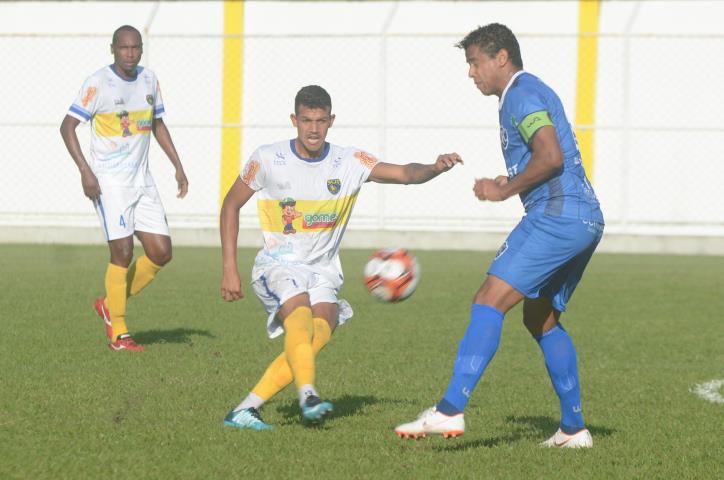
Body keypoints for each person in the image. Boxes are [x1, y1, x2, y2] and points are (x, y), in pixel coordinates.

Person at [394, 23, 604, 448]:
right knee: (539, 318)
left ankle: (449, 410)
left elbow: (550, 155)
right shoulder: (528, 92)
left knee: (488, 298)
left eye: (475, 62)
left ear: (501, 57)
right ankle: (573, 428)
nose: (471, 73)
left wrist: (502, 189)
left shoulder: (521, 94)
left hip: (557, 216)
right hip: (585, 219)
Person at [220, 85, 462, 429]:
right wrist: (229, 268)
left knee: (321, 328)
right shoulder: (267, 158)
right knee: (300, 317)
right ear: (294, 120)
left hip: (323, 270)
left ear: (331, 120)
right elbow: (230, 205)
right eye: (306, 120)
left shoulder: (348, 162)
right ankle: (308, 394)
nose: (314, 129)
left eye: (321, 121)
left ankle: (245, 409)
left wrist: (435, 168)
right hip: (279, 263)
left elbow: (405, 174)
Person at [60, 25, 188, 352]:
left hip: (142, 180)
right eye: (124, 48)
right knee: (123, 252)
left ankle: (109, 303)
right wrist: (85, 172)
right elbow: (68, 126)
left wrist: (177, 165)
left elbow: (157, 123)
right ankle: (119, 332)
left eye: (135, 48)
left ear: (141, 49)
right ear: (113, 49)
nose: (130, 53)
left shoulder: (149, 80)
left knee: (161, 252)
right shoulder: (98, 83)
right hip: (109, 182)